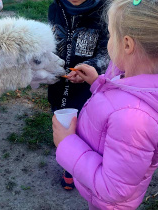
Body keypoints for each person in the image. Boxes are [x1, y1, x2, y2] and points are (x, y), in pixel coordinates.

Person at [52, 0, 158, 209]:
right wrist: (98, 82)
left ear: (127, 44)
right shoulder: (137, 81)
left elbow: (113, 190)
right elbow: (119, 100)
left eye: (110, 34)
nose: (108, 41)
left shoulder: (134, 120)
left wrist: (67, 143)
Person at [47, 0, 109, 190]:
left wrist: (92, 67)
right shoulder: (55, 8)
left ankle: (77, 168)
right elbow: (47, 42)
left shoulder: (105, 10)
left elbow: (109, 51)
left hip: (89, 84)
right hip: (57, 81)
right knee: (61, 119)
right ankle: (68, 159)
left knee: (85, 127)